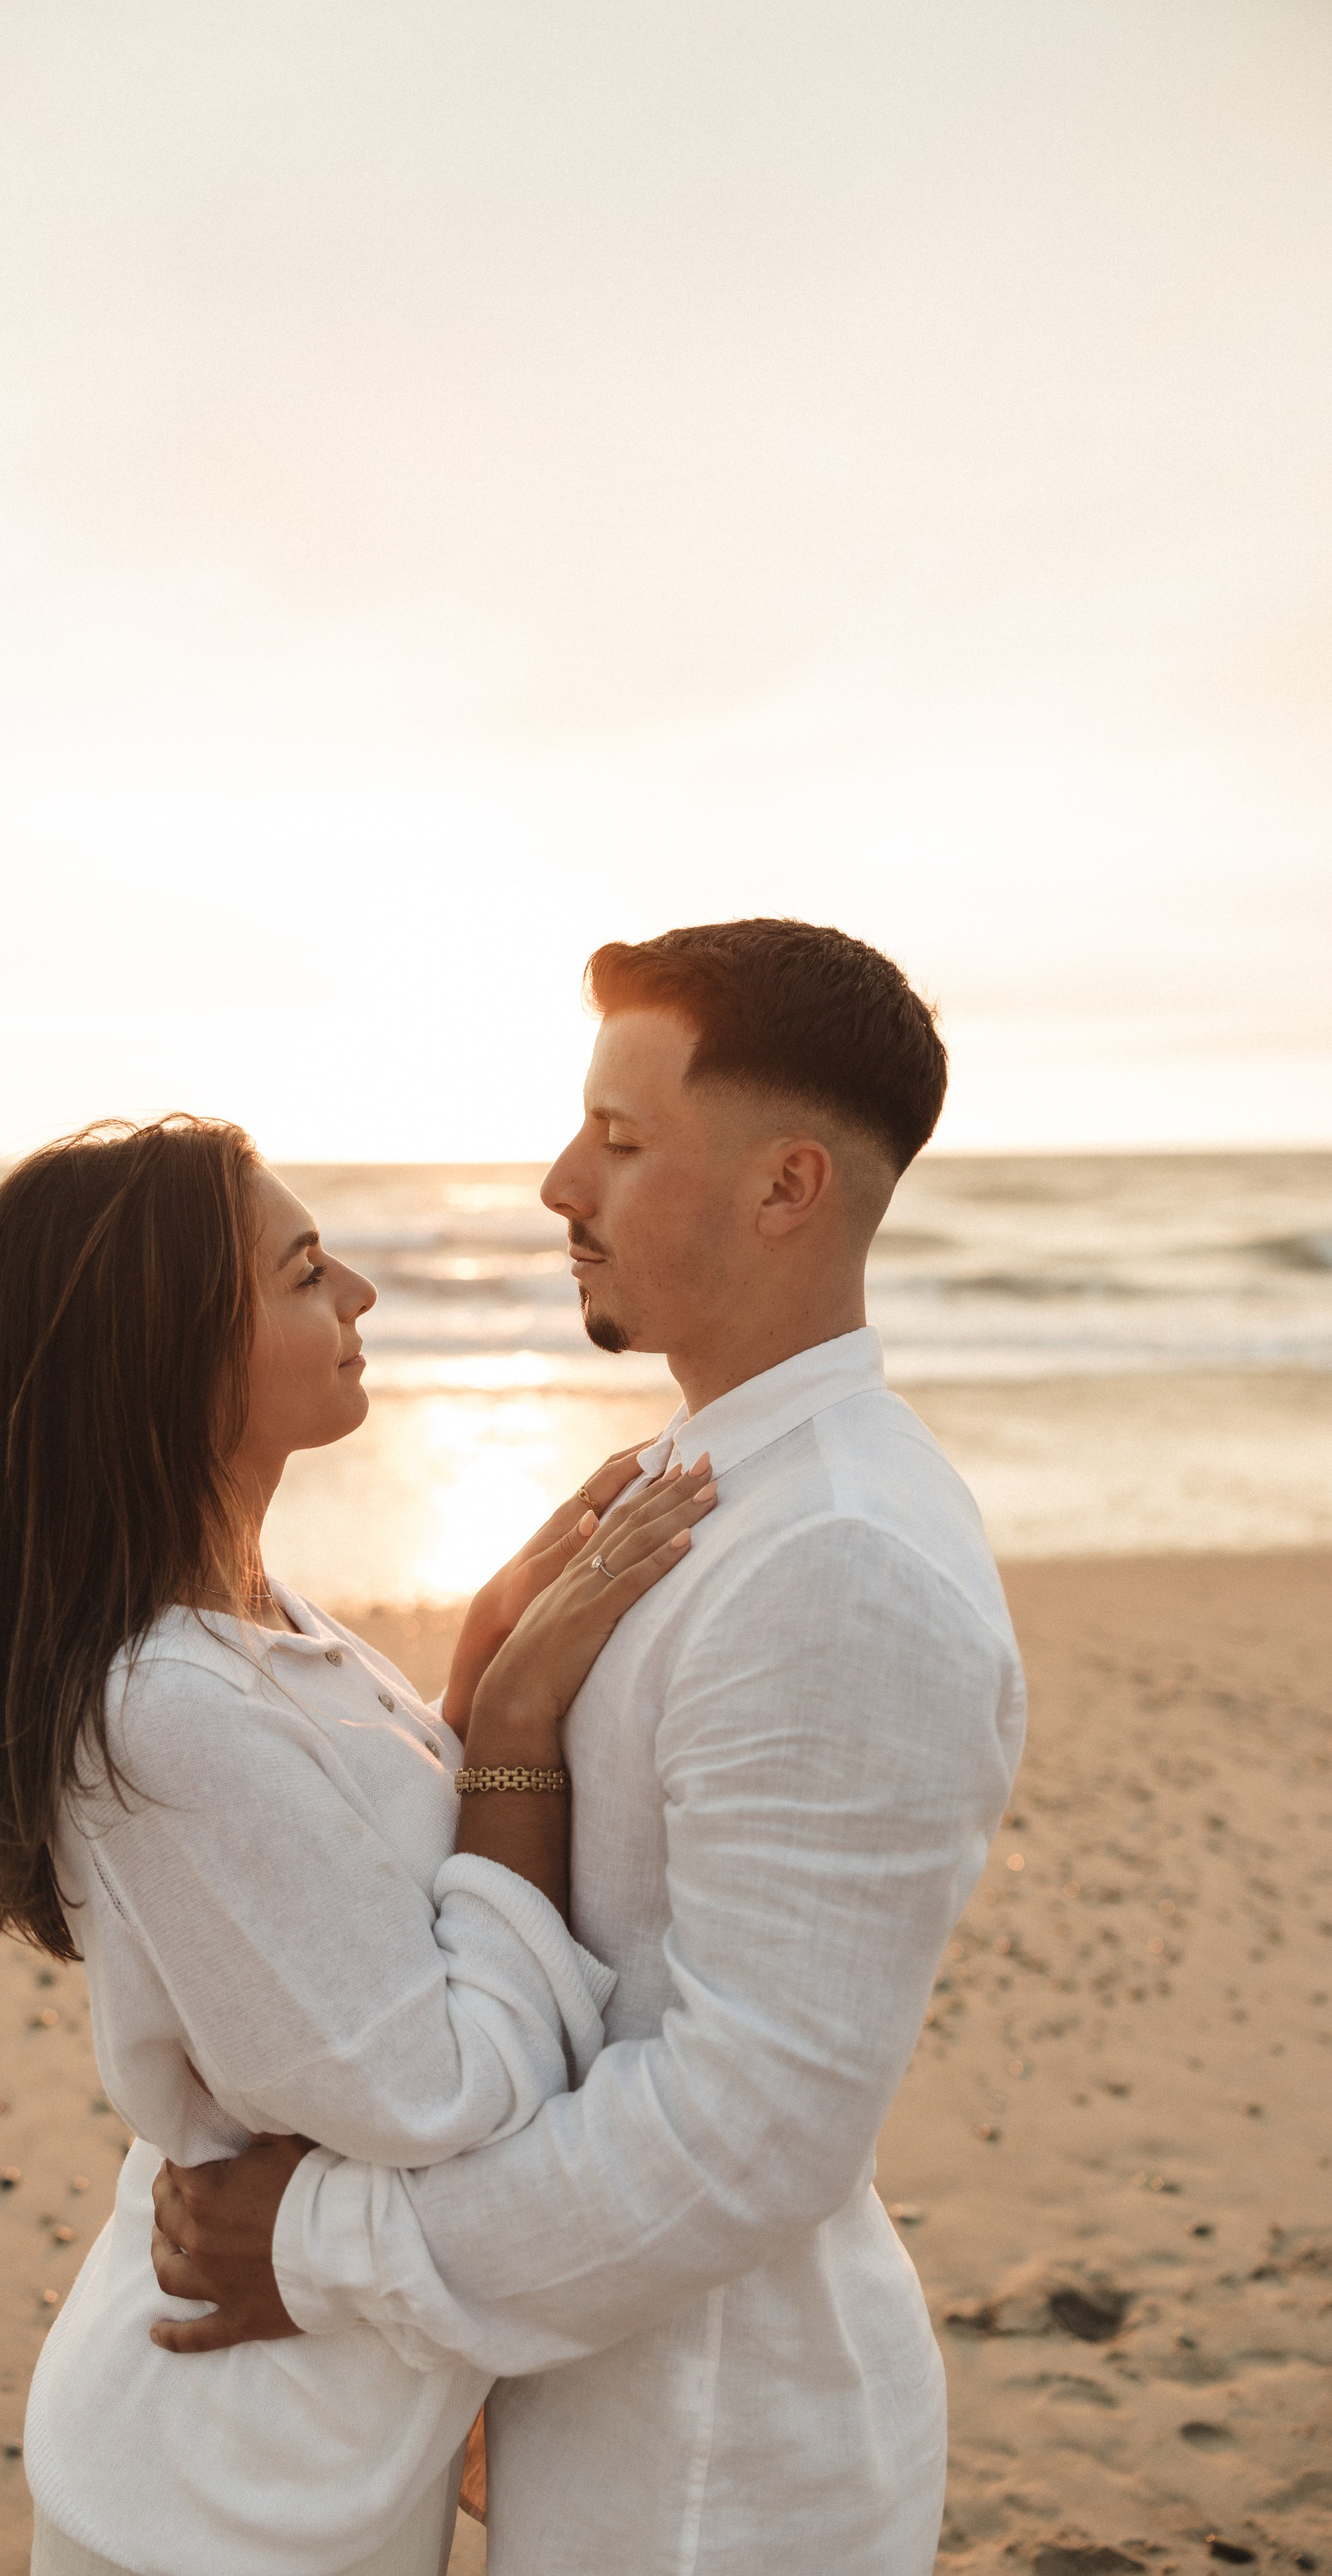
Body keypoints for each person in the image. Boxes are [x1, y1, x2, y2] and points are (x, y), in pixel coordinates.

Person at [149, 917, 1028, 2575]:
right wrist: (486, 1698)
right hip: (613, 2398)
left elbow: (752, 2123)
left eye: (618, 1142)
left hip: (719, 2473)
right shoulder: (712, 1488)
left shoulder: (839, 1560)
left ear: (786, 1189)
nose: (559, 1184)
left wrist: (330, 2250)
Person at [0, 1112, 718, 2576]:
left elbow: (358, 1898)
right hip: (218, 2501)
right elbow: (441, 2088)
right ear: (175, 1353)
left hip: (314, 2439)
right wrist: (512, 1719)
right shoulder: (163, 1705)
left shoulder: (260, 1629)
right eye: (308, 1270)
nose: (361, 1299)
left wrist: (473, 1665)